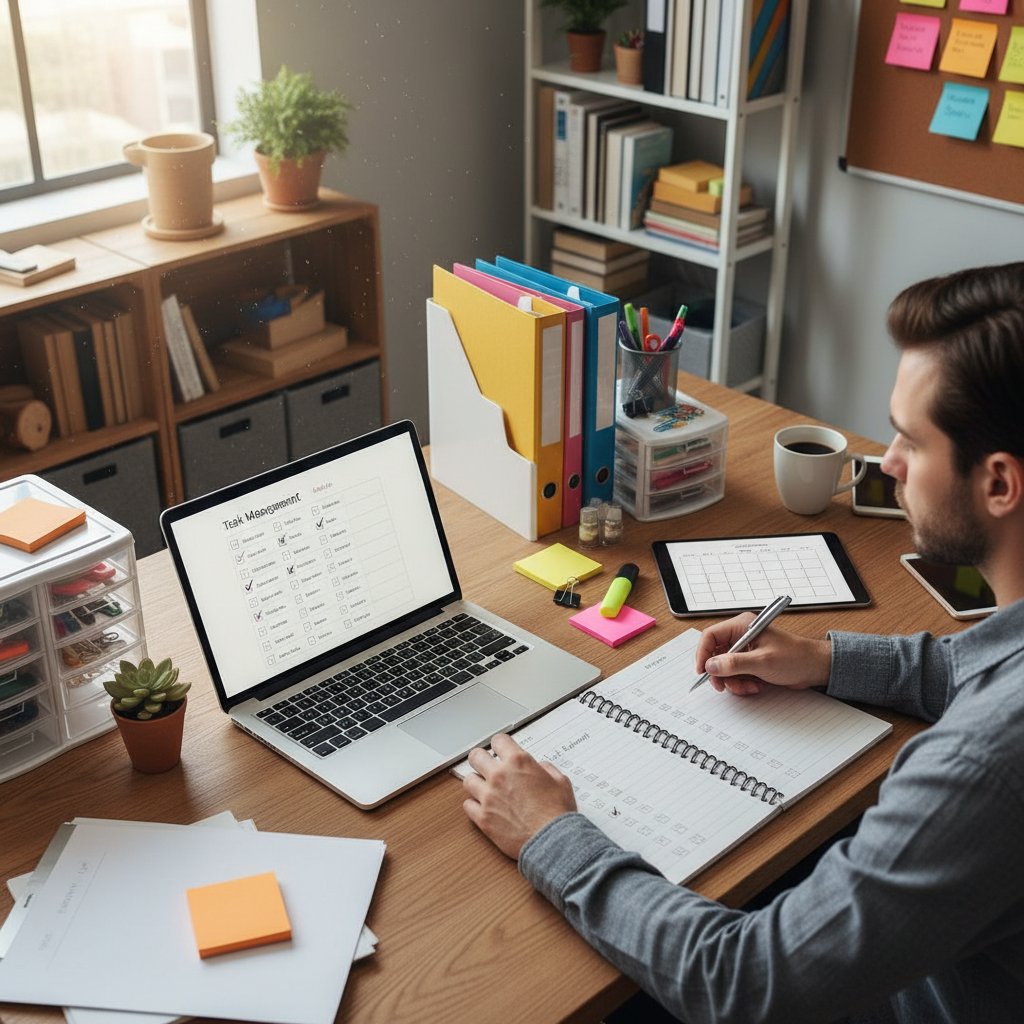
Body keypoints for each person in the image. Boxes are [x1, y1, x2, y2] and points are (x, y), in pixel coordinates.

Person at [461, 261, 1024, 1024]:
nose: (886, 464)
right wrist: (824, 660)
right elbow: (980, 666)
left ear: (998, 485)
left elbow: (746, 983)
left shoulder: (981, 765)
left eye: (909, 441)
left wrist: (550, 835)